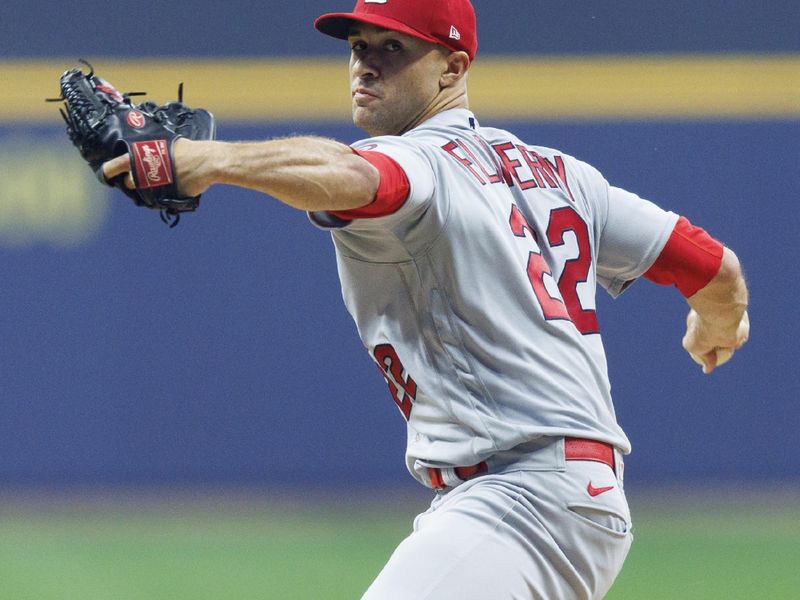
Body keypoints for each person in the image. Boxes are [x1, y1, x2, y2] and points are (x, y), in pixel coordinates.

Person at [104, 1, 750, 597]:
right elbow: (716, 268)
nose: (365, 62)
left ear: (454, 67)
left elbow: (358, 176)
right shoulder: (564, 175)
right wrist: (716, 325)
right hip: (565, 497)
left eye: (393, 47)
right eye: (358, 44)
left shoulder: (421, 162)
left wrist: (209, 159)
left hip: (521, 498)